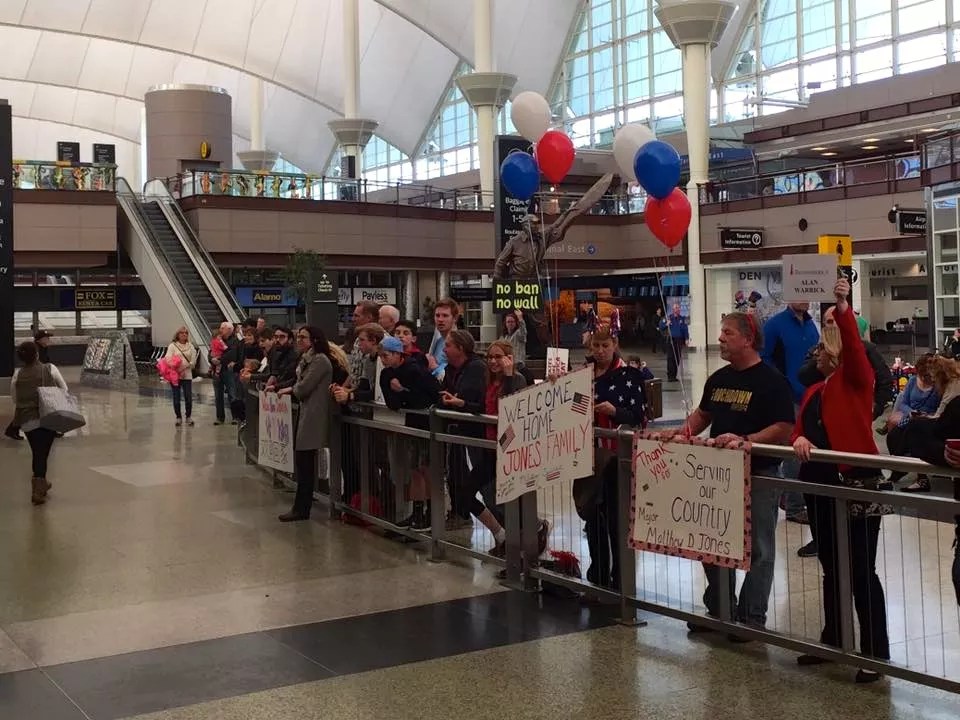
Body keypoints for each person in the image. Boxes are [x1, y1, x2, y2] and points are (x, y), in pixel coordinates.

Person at [664, 312, 794, 633]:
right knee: (713, 543)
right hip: (717, 477)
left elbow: (783, 427)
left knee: (760, 549)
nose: (720, 338)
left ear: (748, 339)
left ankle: (752, 618)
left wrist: (746, 441)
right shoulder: (718, 379)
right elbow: (703, 414)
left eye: (727, 333)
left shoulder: (772, 381)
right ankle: (722, 608)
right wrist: (683, 432)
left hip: (759, 475)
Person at [791, 278, 891, 683]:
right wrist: (798, 436)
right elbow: (802, 424)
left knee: (861, 569)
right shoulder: (817, 388)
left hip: (857, 483)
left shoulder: (857, 381)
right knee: (832, 565)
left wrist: (843, 307)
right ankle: (834, 637)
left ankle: (874, 651)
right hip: (821, 485)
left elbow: (853, 347)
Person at [577, 326, 647, 590]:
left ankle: (621, 576)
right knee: (592, 516)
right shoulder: (584, 375)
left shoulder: (629, 376)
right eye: (596, 346)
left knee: (618, 519)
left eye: (605, 345)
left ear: (614, 343)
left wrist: (615, 410)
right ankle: (598, 572)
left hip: (618, 457)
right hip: (590, 456)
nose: (600, 351)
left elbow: (638, 416)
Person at [761, 303, 820, 530]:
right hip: (789, 396)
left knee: (805, 449)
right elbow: (764, 358)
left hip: (809, 396)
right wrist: (781, 386)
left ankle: (792, 498)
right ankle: (795, 505)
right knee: (795, 451)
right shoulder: (775, 325)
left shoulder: (810, 325)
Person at [378, 335, 441, 530]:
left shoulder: (415, 370)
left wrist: (402, 391)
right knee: (415, 469)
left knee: (426, 468)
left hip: (427, 423)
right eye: (381, 356)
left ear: (398, 354)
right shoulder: (386, 374)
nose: (383, 360)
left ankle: (432, 512)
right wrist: (399, 394)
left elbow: (426, 396)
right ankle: (417, 511)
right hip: (412, 424)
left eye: (386, 356)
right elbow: (393, 403)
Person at [276, 327, 336, 522]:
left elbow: (304, 387)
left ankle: (302, 508)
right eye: (298, 337)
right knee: (303, 460)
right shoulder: (306, 359)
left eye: (303, 337)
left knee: (305, 460)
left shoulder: (319, 361)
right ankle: (301, 505)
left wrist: (291, 390)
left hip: (314, 414)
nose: (299, 340)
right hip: (306, 412)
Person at [438, 329, 489, 532]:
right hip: (462, 435)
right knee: (464, 490)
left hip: (480, 437)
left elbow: (469, 401)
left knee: (486, 491)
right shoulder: (452, 369)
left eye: (448, 345)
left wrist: (460, 402)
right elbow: (442, 396)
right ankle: (501, 534)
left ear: (461, 348)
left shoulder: (475, 368)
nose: (444, 349)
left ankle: (515, 531)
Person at [11, 341, 68, 505]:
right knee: (42, 454)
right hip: (47, 417)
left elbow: (14, 398)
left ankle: (41, 482)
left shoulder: (17, 374)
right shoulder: (49, 369)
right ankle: (38, 487)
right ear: (36, 354)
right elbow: (64, 389)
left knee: (37, 452)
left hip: (27, 420)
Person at [884, 353, 941, 492]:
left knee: (913, 435)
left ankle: (912, 473)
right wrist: (910, 412)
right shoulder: (912, 381)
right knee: (892, 436)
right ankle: (900, 466)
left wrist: (927, 415)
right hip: (909, 417)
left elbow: (941, 407)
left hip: (929, 420)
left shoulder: (938, 385)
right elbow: (903, 403)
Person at [164, 327, 198, 427]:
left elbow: (193, 361)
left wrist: (185, 367)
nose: (184, 334)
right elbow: (168, 358)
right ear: (177, 335)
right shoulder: (172, 346)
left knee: (188, 397)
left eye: (186, 333)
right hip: (175, 375)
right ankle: (178, 417)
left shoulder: (190, 346)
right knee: (176, 397)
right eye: (182, 333)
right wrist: (177, 367)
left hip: (187, 375)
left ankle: (188, 416)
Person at [211, 322, 241, 425]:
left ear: (229, 330)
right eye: (220, 328)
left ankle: (236, 416)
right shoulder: (216, 339)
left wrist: (220, 360)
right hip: (217, 371)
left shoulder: (235, 342)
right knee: (218, 395)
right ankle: (220, 417)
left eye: (223, 328)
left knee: (232, 394)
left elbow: (231, 354)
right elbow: (211, 352)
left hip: (229, 371)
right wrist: (211, 359)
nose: (220, 330)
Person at [428, 298, 460, 380]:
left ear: (455, 318)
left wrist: (434, 366)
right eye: (437, 315)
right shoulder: (438, 341)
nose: (440, 320)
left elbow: (458, 374)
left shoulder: (459, 343)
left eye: (445, 316)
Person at [666, 303, 688, 382]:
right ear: (673, 309)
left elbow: (685, 329)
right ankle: (670, 376)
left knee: (677, 358)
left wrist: (686, 338)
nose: (677, 309)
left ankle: (674, 375)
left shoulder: (682, 319)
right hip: (671, 340)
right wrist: (666, 324)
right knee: (671, 358)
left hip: (679, 340)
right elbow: (661, 325)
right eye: (675, 308)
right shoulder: (669, 318)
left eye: (678, 308)